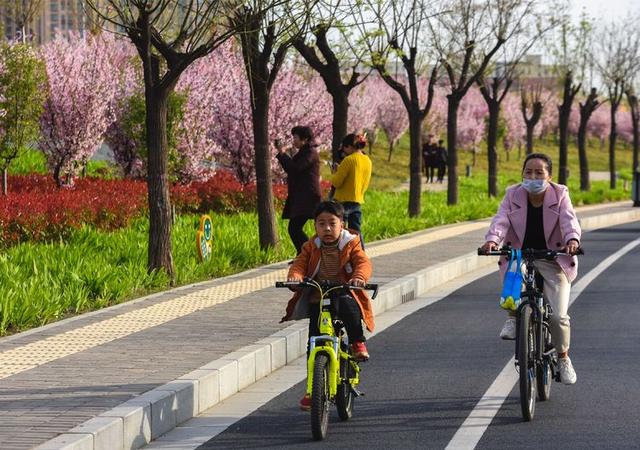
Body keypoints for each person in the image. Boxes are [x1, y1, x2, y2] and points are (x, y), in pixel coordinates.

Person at [480, 153, 581, 385]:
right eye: (528, 172)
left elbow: (569, 220)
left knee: (558, 315)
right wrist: (493, 240)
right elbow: (501, 220)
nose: (533, 177)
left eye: (539, 173)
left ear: (549, 176)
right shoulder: (512, 194)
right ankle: (514, 317)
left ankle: (563, 357)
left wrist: (572, 240)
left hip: (553, 258)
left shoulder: (560, 194)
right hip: (519, 255)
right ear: (522, 174)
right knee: (515, 280)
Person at [281, 201, 374, 410]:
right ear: (315, 226)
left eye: (332, 223)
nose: (327, 229)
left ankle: (357, 343)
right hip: (319, 297)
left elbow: (363, 262)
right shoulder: (310, 246)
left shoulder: (351, 242)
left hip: (343, 291)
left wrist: (359, 277)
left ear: (342, 224)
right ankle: (312, 389)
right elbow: (299, 264)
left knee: (349, 308)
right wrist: (294, 277)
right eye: (321, 224)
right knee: (313, 341)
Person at [275, 126, 321, 256]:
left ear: (304, 139)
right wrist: (283, 155)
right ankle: (304, 255)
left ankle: (308, 254)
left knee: (294, 228)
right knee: (294, 228)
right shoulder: (304, 152)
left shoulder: (310, 153)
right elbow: (293, 169)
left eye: (295, 137)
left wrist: (283, 154)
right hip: (301, 196)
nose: (293, 140)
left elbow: (295, 169)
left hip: (307, 197)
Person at [331, 133, 372, 244]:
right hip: (358, 200)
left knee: (341, 232)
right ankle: (361, 257)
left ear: (349, 146)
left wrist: (334, 173)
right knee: (356, 232)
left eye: (344, 147)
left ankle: (343, 256)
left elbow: (336, 182)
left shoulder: (348, 160)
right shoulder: (367, 160)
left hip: (343, 201)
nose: (343, 150)